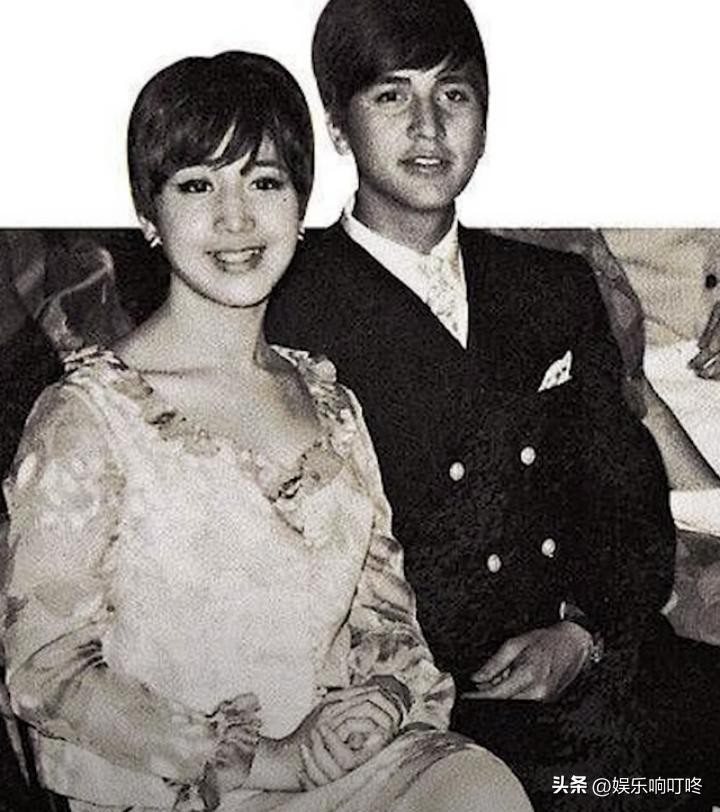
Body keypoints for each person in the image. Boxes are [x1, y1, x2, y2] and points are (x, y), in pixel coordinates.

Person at [0, 52, 531, 812]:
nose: (236, 218)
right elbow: (46, 672)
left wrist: (381, 699)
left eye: (265, 181)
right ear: (149, 217)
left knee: (475, 785)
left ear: (300, 204)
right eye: (197, 186)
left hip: (348, 774)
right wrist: (261, 759)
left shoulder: (333, 404)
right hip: (182, 791)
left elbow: (387, 621)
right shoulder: (88, 419)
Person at [265, 0, 719, 808]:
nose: (429, 126)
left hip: (590, 665)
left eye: (455, 94)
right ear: (336, 125)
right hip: (425, 712)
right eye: (392, 96)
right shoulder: (287, 305)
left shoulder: (552, 286)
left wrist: (583, 633)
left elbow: (627, 497)